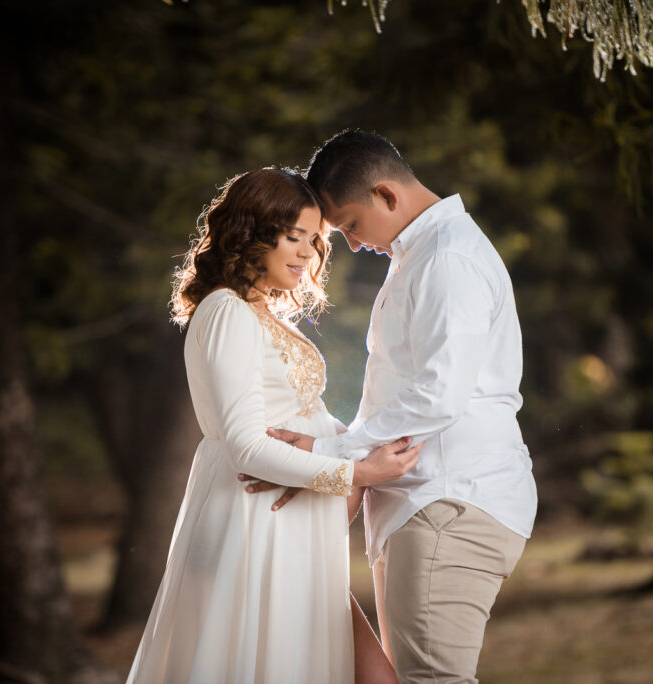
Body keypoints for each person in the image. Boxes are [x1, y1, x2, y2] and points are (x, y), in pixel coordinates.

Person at [256, 131, 538, 684]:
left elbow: (439, 393)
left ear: (387, 194)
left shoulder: (448, 259)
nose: (353, 245)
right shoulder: (423, 255)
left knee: (431, 681)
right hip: (424, 505)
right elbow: (402, 389)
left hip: (449, 501)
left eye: (352, 226)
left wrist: (329, 454)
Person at [125, 167, 417, 684]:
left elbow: (308, 419)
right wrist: (357, 474)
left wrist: (365, 444)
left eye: (314, 239)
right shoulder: (226, 311)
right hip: (254, 518)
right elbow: (244, 446)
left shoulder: (263, 314)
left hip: (293, 516)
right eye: (293, 237)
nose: (307, 253)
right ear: (252, 234)